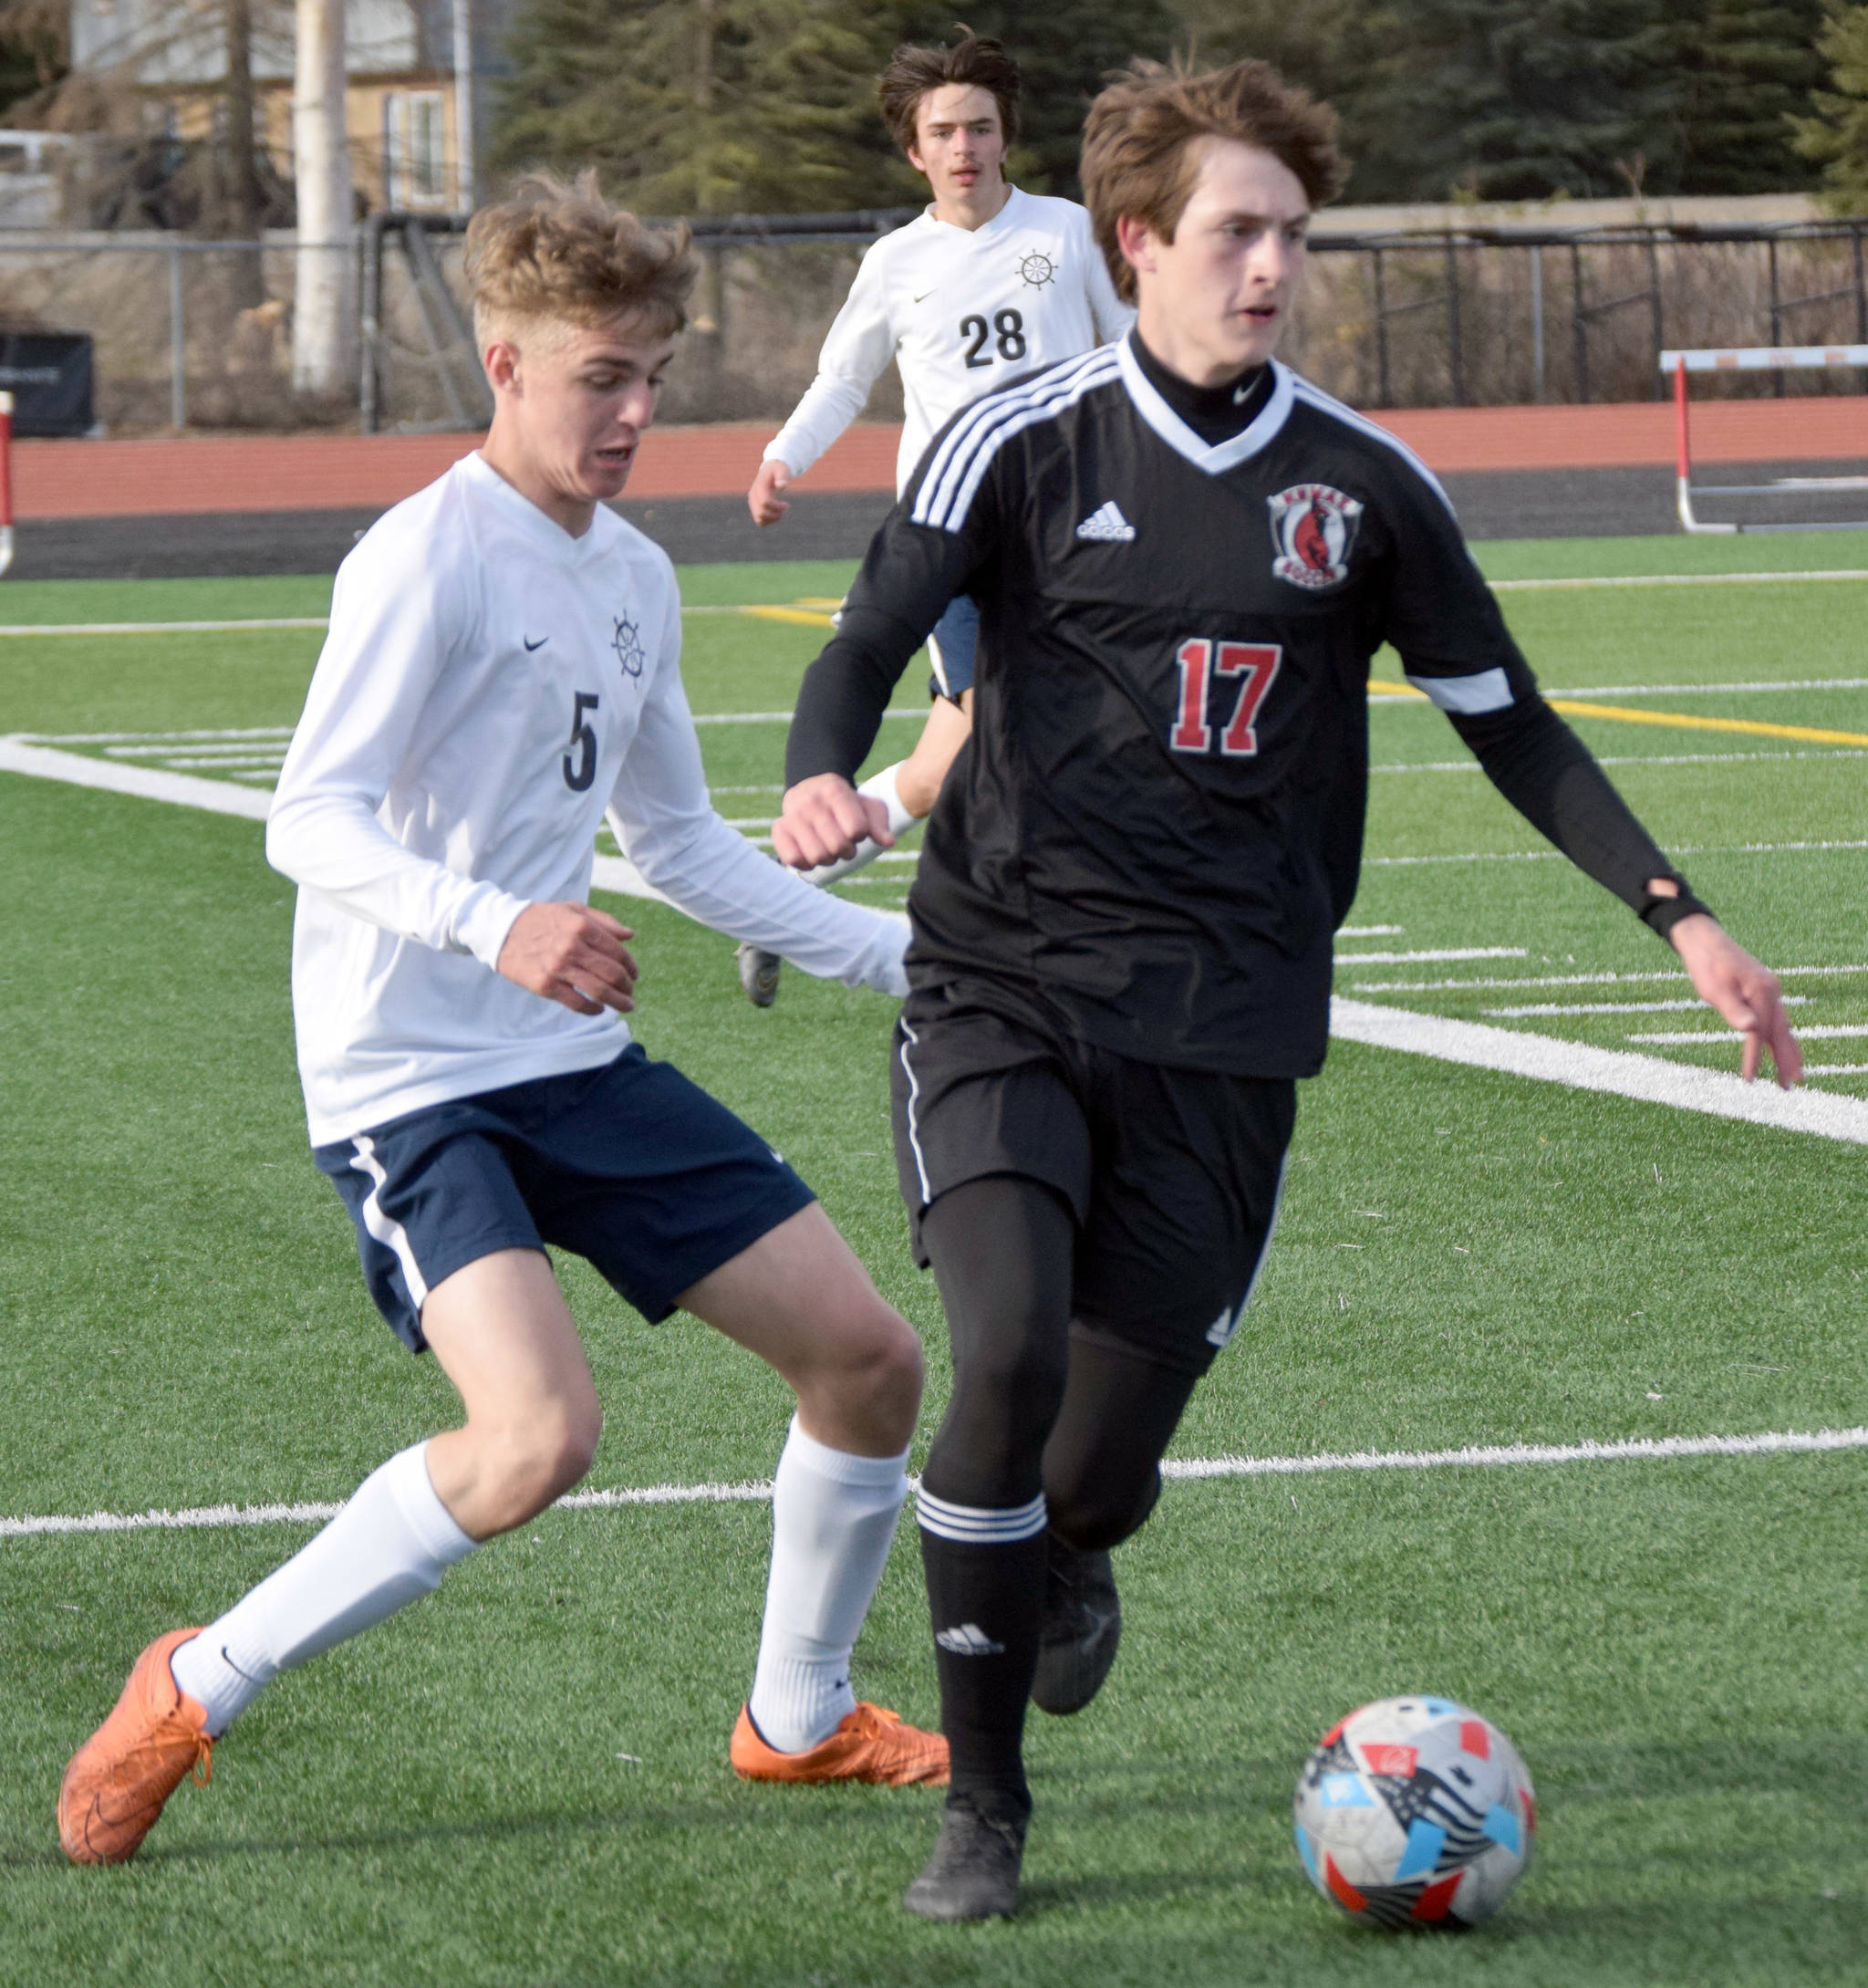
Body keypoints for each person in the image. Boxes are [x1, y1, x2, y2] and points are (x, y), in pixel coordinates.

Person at [773, 58, 1802, 1921]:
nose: (1269, 266)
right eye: (1234, 232)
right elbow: (856, 648)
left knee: (1089, 1471)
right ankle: (983, 1812)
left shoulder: (1360, 486)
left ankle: (1072, 1549)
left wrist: (1681, 917)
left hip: (1226, 1031)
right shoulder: (1016, 440)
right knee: (994, 1357)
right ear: (1137, 245)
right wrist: (816, 773)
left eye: (1291, 237)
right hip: (1003, 979)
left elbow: (1514, 727)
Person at [57, 174, 948, 1869]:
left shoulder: (632, 576)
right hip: (410, 1082)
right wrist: (500, 920)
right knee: (536, 1436)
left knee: (866, 1358)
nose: (630, 411)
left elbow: (677, 843)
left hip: (567, 1061)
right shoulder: (422, 554)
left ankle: (798, 1711)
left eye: (652, 375)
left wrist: (909, 959)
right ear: (503, 364)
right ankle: (195, 1678)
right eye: (597, 375)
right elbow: (305, 817)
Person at [734, 26, 1132, 1005]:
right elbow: (841, 381)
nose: (963, 147)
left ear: (1005, 138)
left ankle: (786, 889)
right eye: (944, 131)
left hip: (1075, 533)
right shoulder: (895, 262)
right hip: (949, 541)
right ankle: (1039, 943)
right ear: (915, 151)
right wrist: (782, 456)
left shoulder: (1066, 233)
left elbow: (1134, 356)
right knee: (990, 743)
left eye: (980, 128)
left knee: (950, 756)